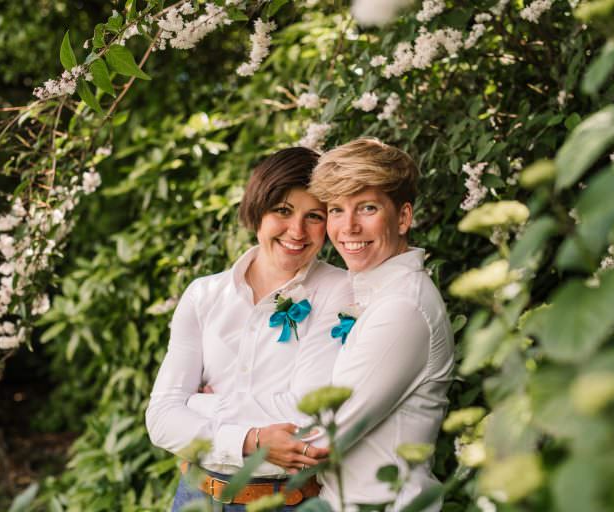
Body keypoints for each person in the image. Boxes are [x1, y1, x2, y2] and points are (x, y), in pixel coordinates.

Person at [145, 147, 352, 511]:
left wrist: (199, 405)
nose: (297, 231)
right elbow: (161, 419)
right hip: (195, 496)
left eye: (314, 216)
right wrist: (253, 439)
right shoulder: (203, 295)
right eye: (283, 211)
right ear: (257, 210)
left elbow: (309, 421)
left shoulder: (341, 291)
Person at [305, 137, 455, 510]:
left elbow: (324, 438)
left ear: (403, 217)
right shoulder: (369, 293)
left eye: (366, 208)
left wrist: (224, 423)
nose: (348, 227)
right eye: (336, 210)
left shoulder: (402, 307)